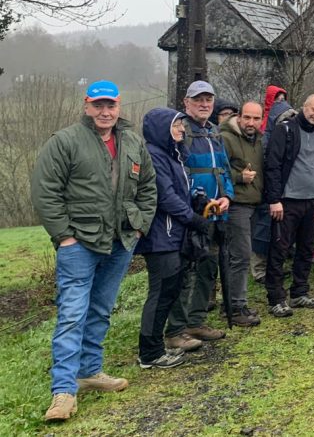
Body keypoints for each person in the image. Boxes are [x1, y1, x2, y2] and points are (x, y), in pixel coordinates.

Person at [32, 80, 157, 422]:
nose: (105, 112)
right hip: (79, 243)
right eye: (98, 105)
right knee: (73, 313)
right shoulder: (66, 141)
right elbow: (45, 192)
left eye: (111, 106)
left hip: (120, 241)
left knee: (101, 308)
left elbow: (148, 186)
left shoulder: (132, 141)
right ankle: (63, 392)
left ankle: (89, 370)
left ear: (119, 106)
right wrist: (64, 236)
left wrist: (139, 225)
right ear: (86, 106)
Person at [166, 81, 234, 346]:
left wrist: (227, 196)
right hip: (193, 213)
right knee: (186, 271)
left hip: (218, 212)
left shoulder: (215, 132)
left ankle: (196, 322)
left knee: (209, 267)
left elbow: (225, 170)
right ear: (186, 102)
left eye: (208, 100)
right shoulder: (180, 131)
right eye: (199, 100)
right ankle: (177, 328)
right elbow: (181, 172)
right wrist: (200, 200)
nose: (204, 104)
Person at [135, 109, 204, 369]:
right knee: (161, 291)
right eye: (177, 125)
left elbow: (181, 189)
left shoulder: (173, 155)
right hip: (160, 236)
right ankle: (149, 353)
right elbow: (165, 197)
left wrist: (197, 199)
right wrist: (192, 218)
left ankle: (154, 347)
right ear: (163, 128)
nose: (182, 129)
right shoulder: (154, 155)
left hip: (173, 234)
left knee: (170, 289)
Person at [264, 94, 314, 317]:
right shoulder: (285, 130)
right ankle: (276, 298)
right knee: (279, 250)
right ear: (304, 107)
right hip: (287, 201)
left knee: (306, 248)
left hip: (312, 200)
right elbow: (272, 165)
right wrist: (274, 199)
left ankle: (299, 292)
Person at [219, 101, 265, 326]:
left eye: (256, 119)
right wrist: (239, 178)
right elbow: (218, 169)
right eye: (247, 117)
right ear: (239, 116)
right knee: (240, 256)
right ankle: (236, 308)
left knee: (237, 256)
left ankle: (230, 303)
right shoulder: (226, 138)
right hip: (236, 203)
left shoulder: (258, 139)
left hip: (253, 203)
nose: (251, 122)